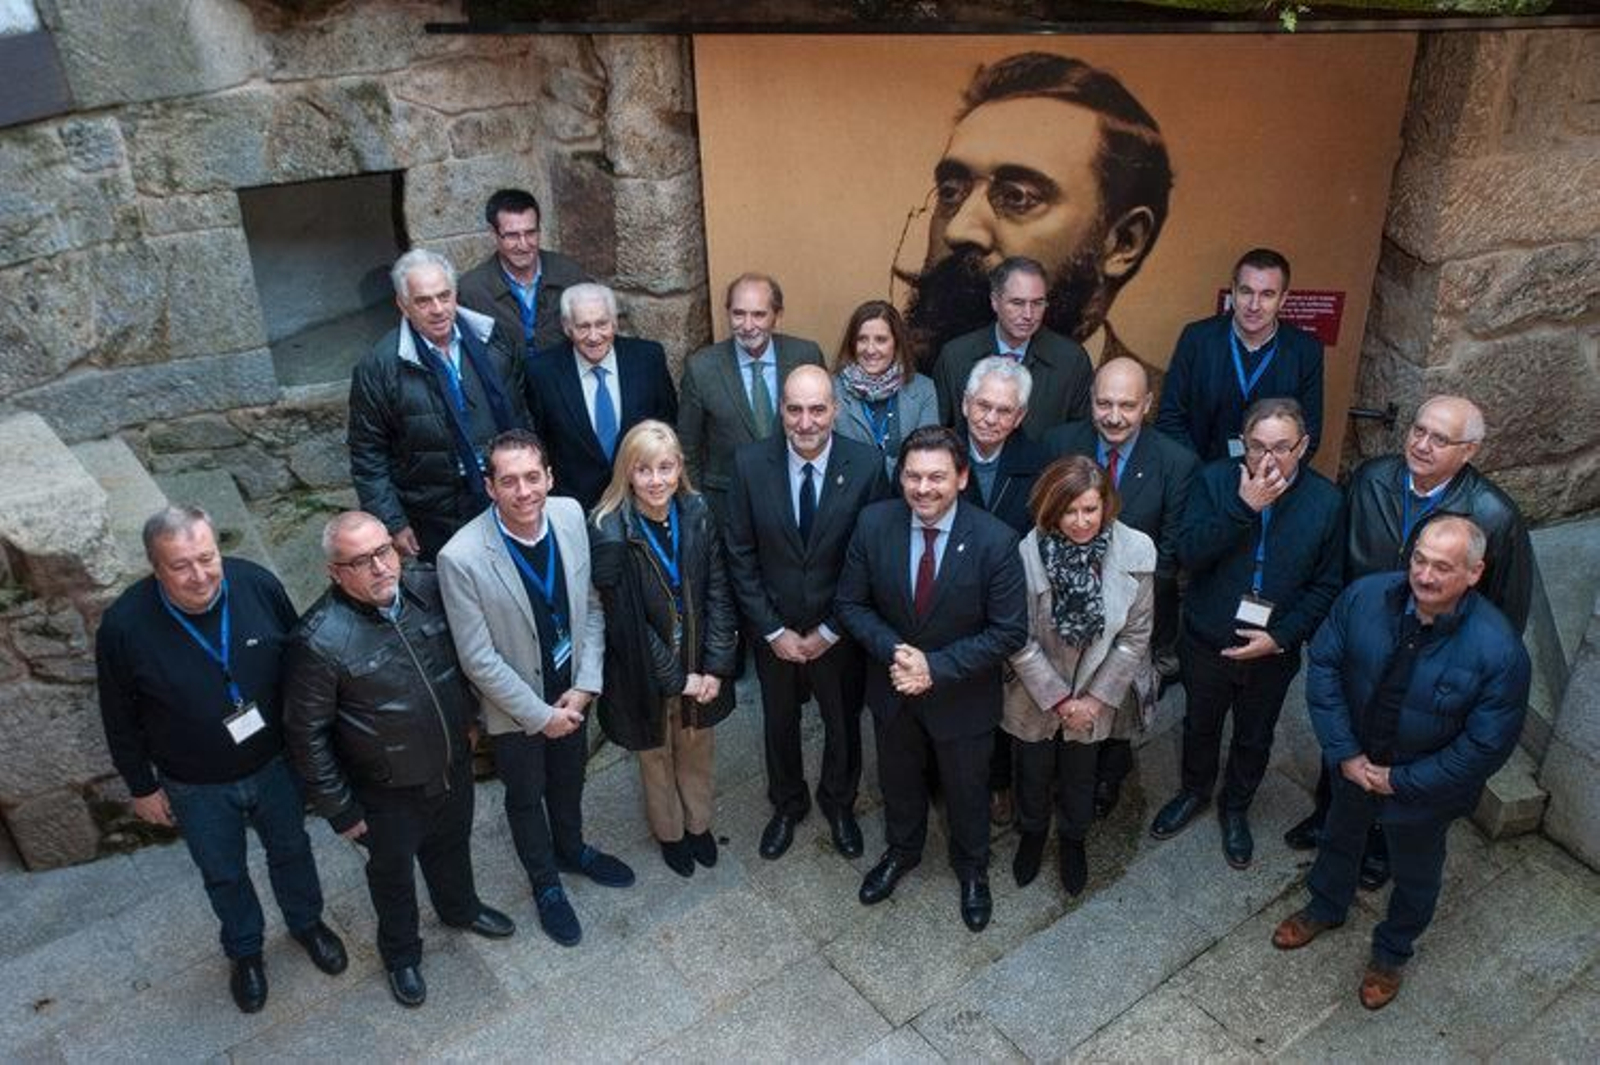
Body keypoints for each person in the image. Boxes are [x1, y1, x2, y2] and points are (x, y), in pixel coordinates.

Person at [1272, 518, 1530, 1011]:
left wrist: (1400, 781)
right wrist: (1345, 754)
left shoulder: (1500, 652)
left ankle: (1391, 953)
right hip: (1351, 768)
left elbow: (1484, 747)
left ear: (1475, 573)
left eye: (1442, 567)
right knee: (1338, 839)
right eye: (1419, 560)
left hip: (1423, 797)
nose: (1425, 576)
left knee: (1416, 874)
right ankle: (1325, 906)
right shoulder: (1365, 596)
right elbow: (1324, 665)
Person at [96, 506, 346, 1014]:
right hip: (194, 784)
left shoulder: (255, 584)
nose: (200, 575)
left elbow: (303, 664)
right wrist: (141, 786)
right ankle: (245, 951)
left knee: (292, 849)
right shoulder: (124, 626)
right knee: (223, 873)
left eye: (207, 558)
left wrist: (315, 744)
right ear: (155, 566)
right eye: (181, 565)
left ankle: (307, 923)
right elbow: (117, 714)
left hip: (275, 763)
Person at [1283, 394, 1535, 884]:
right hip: (1367, 645)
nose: (1421, 444)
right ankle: (1327, 818)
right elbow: (1338, 557)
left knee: (1401, 756)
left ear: (1470, 451)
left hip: (1432, 660)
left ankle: (1380, 848)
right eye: (1418, 430)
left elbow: (1507, 612)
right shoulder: (1372, 478)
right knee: (1347, 737)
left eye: (1439, 439)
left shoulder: (1496, 517)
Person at [283, 512, 515, 1008]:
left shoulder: (428, 587)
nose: (381, 567)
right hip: (386, 792)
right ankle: (402, 954)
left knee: (453, 845)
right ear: (335, 573)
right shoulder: (318, 641)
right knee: (391, 876)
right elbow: (307, 736)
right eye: (361, 560)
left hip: (453, 764)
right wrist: (340, 810)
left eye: (384, 551)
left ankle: (459, 909)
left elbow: (468, 657)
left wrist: (471, 719)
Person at [436, 431, 635, 948]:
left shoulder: (570, 515)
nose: (523, 491)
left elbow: (591, 606)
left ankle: (571, 849)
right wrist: (539, 715)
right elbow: (477, 658)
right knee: (526, 796)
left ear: (549, 476)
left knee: (570, 778)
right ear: (489, 487)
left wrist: (586, 686)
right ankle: (545, 883)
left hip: (572, 691)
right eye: (509, 481)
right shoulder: (460, 558)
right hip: (516, 709)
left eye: (532, 477)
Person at [835, 425, 1029, 932]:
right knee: (898, 782)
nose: (924, 489)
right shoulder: (873, 524)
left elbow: (1009, 631)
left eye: (937, 477)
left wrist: (934, 668)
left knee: (968, 792)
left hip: (962, 701)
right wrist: (897, 653)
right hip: (894, 689)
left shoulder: (996, 541)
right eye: (913, 476)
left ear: (962, 478)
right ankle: (902, 851)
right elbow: (850, 603)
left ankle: (972, 871)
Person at [1149, 397, 1342, 869]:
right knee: (1199, 723)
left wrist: (1281, 638)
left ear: (1304, 446)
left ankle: (1235, 807)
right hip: (1207, 637)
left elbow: (1328, 584)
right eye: (1256, 447)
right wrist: (1243, 507)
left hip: (1273, 648)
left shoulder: (1327, 501)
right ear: (1243, 444)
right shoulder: (1216, 480)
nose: (1268, 460)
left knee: (1254, 735)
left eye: (1281, 447)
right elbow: (1188, 554)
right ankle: (1194, 791)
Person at [902, 52, 1172, 375]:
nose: (958, 230)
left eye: (1018, 197)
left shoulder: (1159, 411)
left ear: (1122, 243)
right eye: (950, 192)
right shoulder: (904, 387)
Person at [724, 366, 892, 861]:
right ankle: (787, 804)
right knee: (778, 723)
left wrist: (832, 629)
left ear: (834, 411)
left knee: (842, 723)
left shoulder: (866, 466)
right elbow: (740, 553)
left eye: (817, 409)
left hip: (837, 632)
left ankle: (840, 803)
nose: (806, 421)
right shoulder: (750, 464)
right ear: (782, 412)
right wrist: (772, 629)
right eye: (794, 409)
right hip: (773, 629)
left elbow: (872, 556)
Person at [1042, 356, 1198, 816]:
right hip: (1063, 607)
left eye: (1127, 405)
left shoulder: (1177, 463)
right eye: (1104, 403)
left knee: (1118, 698)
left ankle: (1109, 775)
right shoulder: (1058, 443)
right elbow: (1044, 521)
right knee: (1065, 690)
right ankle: (1059, 768)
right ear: (1090, 400)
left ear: (1148, 404)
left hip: (1135, 611)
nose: (1114, 416)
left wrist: (1119, 599)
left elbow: (1171, 552)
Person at [588, 421, 739, 877]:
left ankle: (698, 825)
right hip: (645, 668)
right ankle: (671, 833)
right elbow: (625, 625)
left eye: (666, 468)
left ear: (679, 469)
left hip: (699, 658)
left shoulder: (697, 511)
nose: (656, 480)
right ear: (627, 474)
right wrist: (677, 678)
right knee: (655, 755)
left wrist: (714, 666)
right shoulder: (609, 529)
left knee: (696, 745)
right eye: (644, 470)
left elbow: (719, 591)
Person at [1005, 456, 1157, 895]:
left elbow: (1136, 635)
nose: (1080, 521)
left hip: (1096, 695)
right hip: (1036, 693)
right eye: (1069, 511)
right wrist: (1057, 699)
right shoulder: (1027, 551)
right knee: (1031, 772)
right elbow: (1018, 637)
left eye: (1090, 509)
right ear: (1051, 510)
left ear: (1106, 505)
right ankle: (1032, 834)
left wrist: (1094, 701)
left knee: (1080, 775)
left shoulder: (1136, 550)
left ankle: (1073, 838)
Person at [348, 248, 531, 561]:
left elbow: (524, 415)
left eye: (444, 296)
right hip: (435, 512)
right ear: (402, 305)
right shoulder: (380, 368)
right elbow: (368, 454)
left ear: (455, 294)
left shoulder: (494, 340)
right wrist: (394, 522)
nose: (438, 309)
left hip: (505, 490)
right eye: (423, 300)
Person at [955, 356, 1050, 827]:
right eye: (983, 406)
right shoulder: (938, 456)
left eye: (1003, 410)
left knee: (1004, 701)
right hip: (950, 606)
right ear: (966, 403)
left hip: (1011, 609)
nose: (990, 419)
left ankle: (998, 782)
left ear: (1020, 417)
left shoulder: (1039, 467)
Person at [677, 272, 826, 524]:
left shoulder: (805, 354)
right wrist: (699, 508)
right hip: (728, 508)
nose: (747, 325)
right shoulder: (701, 368)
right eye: (738, 313)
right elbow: (687, 448)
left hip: (798, 500)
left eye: (758, 314)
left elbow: (825, 425)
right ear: (728, 314)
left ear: (777, 317)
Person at [1156, 248, 1324, 463]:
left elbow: (1308, 435)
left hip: (1270, 480)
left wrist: (1266, 477)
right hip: (1198, 478)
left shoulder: (1305, 350)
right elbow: (1170, 419)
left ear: (1283, 299)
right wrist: (1202, 479)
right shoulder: (1197, 339)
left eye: (1267, 294)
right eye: (1246, 291)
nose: (1254, 305)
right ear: (1233, 292)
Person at [525, 282, 679, 513]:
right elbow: (539, 443)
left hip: (644, 501)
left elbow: (667, 425)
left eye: (602, 324)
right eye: (583, 327)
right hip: (578, 507)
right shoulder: (542, 372)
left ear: (615, 322)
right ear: (567, 327)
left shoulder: (648, 359)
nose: (594, 336)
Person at [932, 257, 1093, 437]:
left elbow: (1080, 438)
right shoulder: (956, 356)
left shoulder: (1071, 360)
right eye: (1017, 303)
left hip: (1046, 465)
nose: (1028, 314)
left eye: (1037, 303)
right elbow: (939, 434)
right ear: (995, 301)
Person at [456, 187, 591, 356]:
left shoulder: (570, 275)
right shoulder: (471, 291)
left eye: (530, 233)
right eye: (512, 236)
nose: (524, 245)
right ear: (494, 234)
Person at [831, 300, 939, 479]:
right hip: (849, 497)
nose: (870, 349)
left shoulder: (924, 389)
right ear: (852, 343)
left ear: (896, 343)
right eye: (862, 339)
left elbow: (928, 456)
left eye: (881, 340)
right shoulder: (831, 390)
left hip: (908, 495)